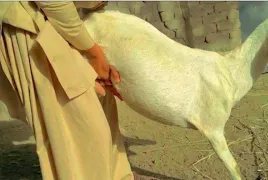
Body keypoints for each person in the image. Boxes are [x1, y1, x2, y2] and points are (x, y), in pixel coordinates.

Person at [0, 2, 157, 180]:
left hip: (58, 21)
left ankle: (118, 176)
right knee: (76, 118)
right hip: (35, 24)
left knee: (101, 102)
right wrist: (93, 51)